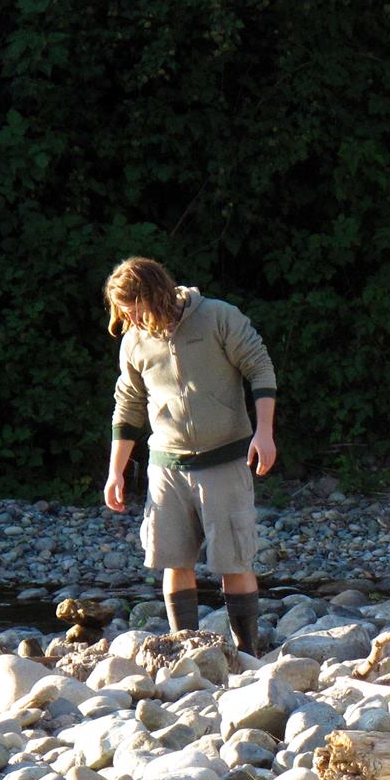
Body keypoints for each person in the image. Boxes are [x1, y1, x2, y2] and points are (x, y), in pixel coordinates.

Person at [102, 256, 277, 654]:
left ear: (156, 293)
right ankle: (187, 649)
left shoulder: (218, 317)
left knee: (235, 560)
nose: (130, 318)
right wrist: (116, 472)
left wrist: (264, 432)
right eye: (124, 311)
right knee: (174, 561)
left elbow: (260, 368)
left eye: (135, 308)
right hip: (167, 466)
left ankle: (247, 653)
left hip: (225, 459)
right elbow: (127, 405)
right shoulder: (134, 341)